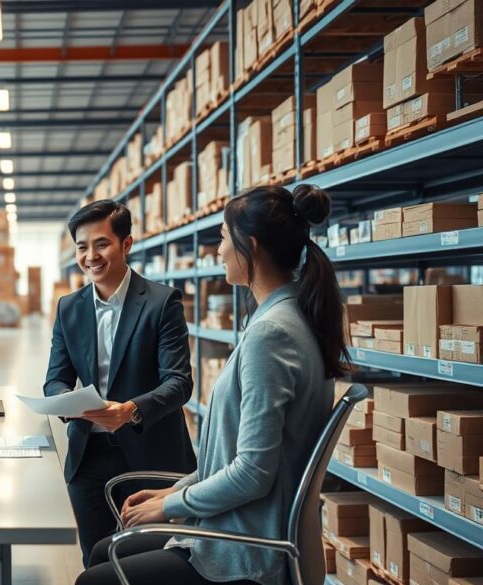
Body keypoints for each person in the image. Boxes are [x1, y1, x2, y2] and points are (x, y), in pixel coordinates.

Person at [78, 184, 349, 585]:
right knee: (104, 550)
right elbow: (233, 458)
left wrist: (171, 506)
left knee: (93, 577)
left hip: (241, 544)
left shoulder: (271, 334)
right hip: (240, 522)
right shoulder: (289, 316)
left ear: (249, 246)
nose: (217, 251)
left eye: (222, 238)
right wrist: (175, 493)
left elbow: (252, 472)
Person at [45, 199, 196, 566]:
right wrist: (68, 402)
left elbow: (179, 382)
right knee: (95, 561)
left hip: (150, 454)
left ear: (126, 245)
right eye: (82, 247)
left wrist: (130, 411)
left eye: (101, 244)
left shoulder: (162, 302)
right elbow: (55, 379)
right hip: (89, 455)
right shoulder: (69, 307)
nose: (90, 256)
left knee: (145, 563)